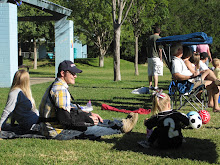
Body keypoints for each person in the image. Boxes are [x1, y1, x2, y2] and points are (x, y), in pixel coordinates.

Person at [38, 60, 138, 140]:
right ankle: (122, 128)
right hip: (57, 131)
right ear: (63, 73)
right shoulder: (60, 90)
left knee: (94, 120)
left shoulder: (56, 85)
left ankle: (122, 123)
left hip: (50, 128)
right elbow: (65, 119)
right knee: (91, 128)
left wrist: (86, 114)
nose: (75, 76)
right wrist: (86, 120)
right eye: (73, 73)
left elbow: (67, 108)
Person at [171, 43, 220, 112]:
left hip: (192, 79)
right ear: (178, 50)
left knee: (209, 74)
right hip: (189, 83)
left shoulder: (179, 60)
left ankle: (213, 103)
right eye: (182, 49)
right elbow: (176, 76)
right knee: (214, 83)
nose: (183, 51)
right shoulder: (175, 61)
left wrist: (198, 73)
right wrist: (191, 76)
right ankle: (215, 105)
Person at [0, 70, 39, 134]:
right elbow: (8, 110)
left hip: (33, 121)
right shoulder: (17, 93)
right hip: (31, 123)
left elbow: (10, 110)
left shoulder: (20, 92)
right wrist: (1, 125)